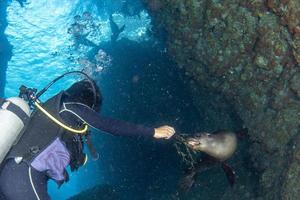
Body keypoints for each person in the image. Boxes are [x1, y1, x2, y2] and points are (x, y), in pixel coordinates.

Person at [0, 79, 175, 200]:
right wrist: (152, 131)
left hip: (12, 176)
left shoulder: (53, 111)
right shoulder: (69, 107)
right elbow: (110, 125)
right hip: (23, 178)